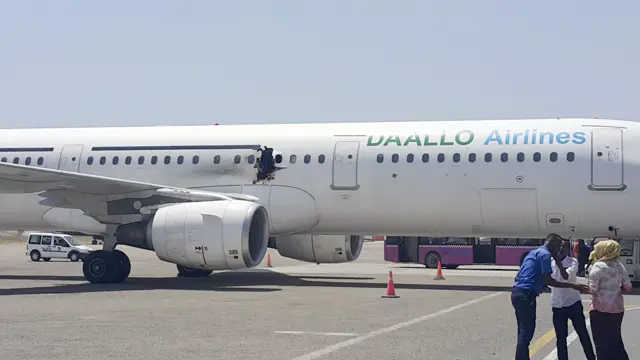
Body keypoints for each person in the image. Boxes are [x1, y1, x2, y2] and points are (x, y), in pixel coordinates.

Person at [511, 233, 590, 360]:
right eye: (558, 245)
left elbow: (521, 275)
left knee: (523, 331)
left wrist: (539, 285)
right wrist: (573, 286)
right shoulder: (546, 255)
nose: (559, 249)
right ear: (553, 243)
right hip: (527, 295)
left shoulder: (534, 253)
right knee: (526, 333)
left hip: (518, 292)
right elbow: (549, 280)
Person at [550, 238, 596, 360]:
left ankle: (591, 357)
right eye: (559, 246)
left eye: (563, 246)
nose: (560, 248)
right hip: (557, 306)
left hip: (573, 304)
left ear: (568, 249)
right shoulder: (549, 263)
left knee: (583, 334)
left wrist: (558, 263)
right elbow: (549, 283)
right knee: (561, 338)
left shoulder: (573, 262)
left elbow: (566, 277)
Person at [588, 239, 632, 360]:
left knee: (601, 343)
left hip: (599, 310)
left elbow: (592, 289)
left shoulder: (598, 266)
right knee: (615, 340)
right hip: (617, 310)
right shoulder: (620, 266)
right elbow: (628, 287)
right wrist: (615, 288)